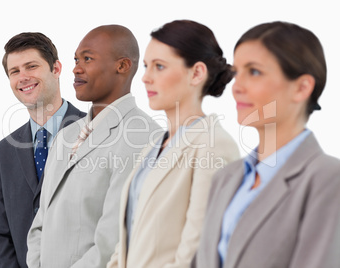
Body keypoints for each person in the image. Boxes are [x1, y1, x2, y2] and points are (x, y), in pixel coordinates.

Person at [192, 21, 340, 268]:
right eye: (237, 72)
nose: (236, 87)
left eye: (255, 72)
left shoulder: (327, 180)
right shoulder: (226, 178)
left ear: (302, 87)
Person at [107, 20, 240, 268]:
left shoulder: (214, 145)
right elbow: (131, 234)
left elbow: (198, 252)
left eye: (159, 66)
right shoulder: (154, 145)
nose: (145, 78)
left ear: (197, 73)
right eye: (146, 66)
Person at [26, 24, 161, 268]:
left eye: (87, 59)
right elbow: (40, 223)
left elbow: (115, 241)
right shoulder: (66, 136)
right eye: (76, 59)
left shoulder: (145, 137)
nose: (76, 69)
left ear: (122, 66)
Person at [0, 33, 86, 268]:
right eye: (15, 71)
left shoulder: (96, 133)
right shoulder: (5, 151)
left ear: (56, 68)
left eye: (32, 66)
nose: (23, 77)